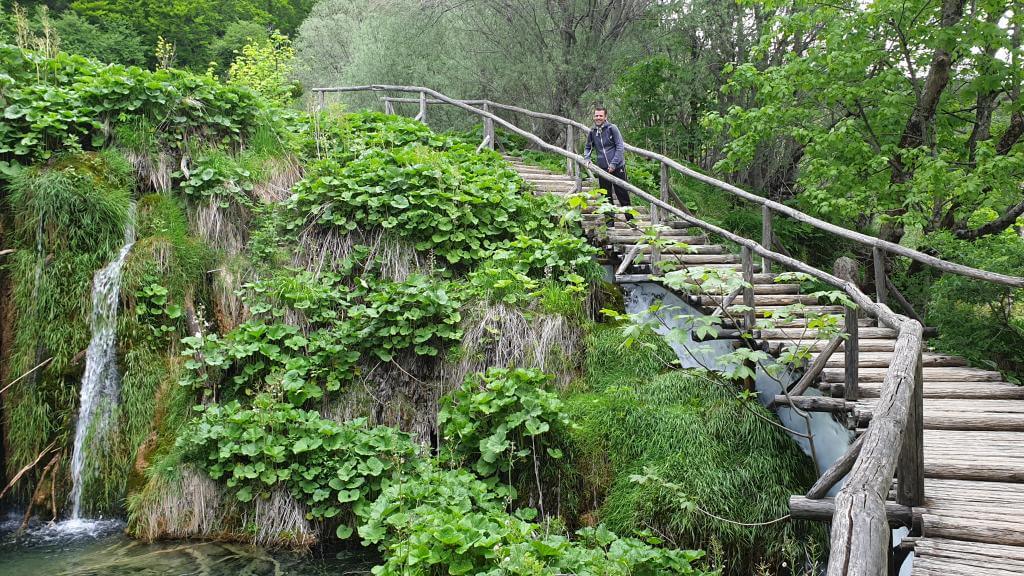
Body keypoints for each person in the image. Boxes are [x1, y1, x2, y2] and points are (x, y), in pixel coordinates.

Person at [583, 106, 631, 222]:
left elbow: (620, 147)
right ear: (594, 117)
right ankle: (610, 222)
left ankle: (630, 220)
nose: (598, 118)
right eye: (596, 116)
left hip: (618, 167)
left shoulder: (612, 128)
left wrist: (614, 164)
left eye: (601, 116)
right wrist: (587, 158)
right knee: (606, 196)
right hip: (602, 168)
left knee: (622, 194)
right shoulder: (592, 132)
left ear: (605, 117)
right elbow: (588, 147)